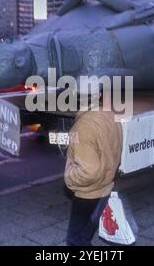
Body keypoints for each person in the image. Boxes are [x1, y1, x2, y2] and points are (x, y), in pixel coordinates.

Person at [64, 102, 123, 246]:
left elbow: (89, 171)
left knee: (75, 240)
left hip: (88, 193)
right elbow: (117, 150)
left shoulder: (82, 127)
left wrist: (69, 179)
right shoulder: (110, 114)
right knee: (85, 236)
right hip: (105, 187)